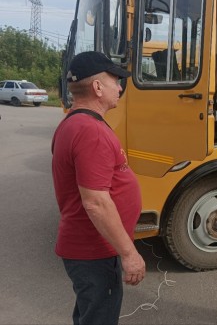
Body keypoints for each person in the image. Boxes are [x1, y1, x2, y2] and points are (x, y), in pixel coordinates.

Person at [51, 51, 146, 325]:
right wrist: (129, 254)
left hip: (89, 248)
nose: (119, 87)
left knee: (89, 315)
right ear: (97, 87)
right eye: (115, 81)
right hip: (94, 250)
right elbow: (95, 202)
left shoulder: (74, 123)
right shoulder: (89, 131)